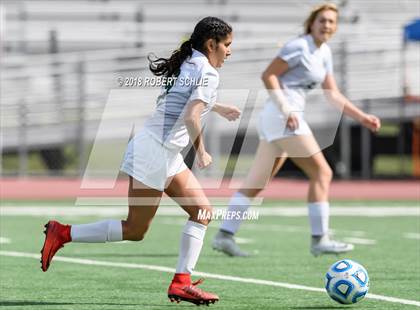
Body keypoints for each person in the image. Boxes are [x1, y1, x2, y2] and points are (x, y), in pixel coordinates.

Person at [40, 16, 240, 306]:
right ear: (212, 44)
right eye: (227, 45)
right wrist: (203, 150)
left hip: (160, 151)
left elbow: (187, 101)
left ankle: (181, 282)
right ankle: (63, 233)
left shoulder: (191, 62)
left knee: (202, 212)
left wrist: (218, 108)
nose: (230, 51)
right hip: (155, 152)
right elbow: (191, 115)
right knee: (135, 230)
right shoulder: (207, 72)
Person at [212, 3, 381, 257]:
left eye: (331, 22)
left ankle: (224, 235)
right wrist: (286, 108)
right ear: (311, 23)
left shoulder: (324, 52)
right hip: (283, 116)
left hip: (280, 118)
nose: (327, 25)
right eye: (322, 20)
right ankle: (320, 239)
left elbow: (332, 94)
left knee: (257, 183)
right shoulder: (299, 46)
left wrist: (362, 117)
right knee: (322, 173)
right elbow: (268, 75)